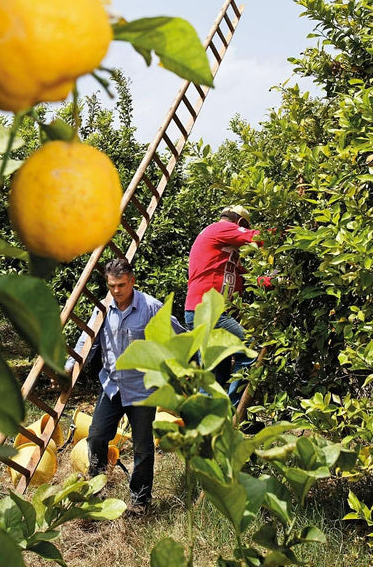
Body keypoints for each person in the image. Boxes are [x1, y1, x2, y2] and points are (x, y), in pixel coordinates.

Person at [65, 257, 185, 513]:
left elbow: (179, 336)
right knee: (96, 436)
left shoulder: (151, 308)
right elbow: (86, 340)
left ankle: (140, 501)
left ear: (132, 281)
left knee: (142, 447)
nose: (116, 291)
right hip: (111, 385)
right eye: (111, 286)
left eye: (121, 285)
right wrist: (68, 366)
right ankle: (97, 489)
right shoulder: (103, 308)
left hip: (142, 389)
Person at [184, 205, 260, 407]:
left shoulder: (228, 254)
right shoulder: (220, 228)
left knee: (214, 375)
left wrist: (273, 281)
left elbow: (247, 278)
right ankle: (235, 411)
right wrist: (287, 234)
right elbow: (257, 237)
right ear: (240, 223)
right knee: (249, 348)